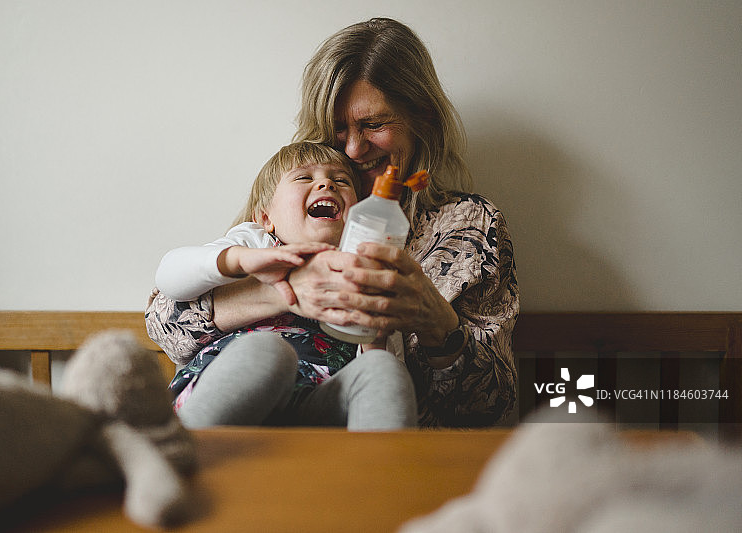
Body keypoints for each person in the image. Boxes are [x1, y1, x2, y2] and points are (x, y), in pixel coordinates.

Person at [146, 18, 519, 427]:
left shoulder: (467, 225)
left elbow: (490, 407)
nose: (354, 150)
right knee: (266, 355)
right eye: (338, 129)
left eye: (373, 124)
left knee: (382, 373)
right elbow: (165, 320)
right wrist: (289, 289)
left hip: (349, 432)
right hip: (245, 430)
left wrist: (435, 324)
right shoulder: (281, 212)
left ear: (422, 118)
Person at [151, 141, 417, 430]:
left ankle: (380, 471)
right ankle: (180, 451)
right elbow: (168, 276)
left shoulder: (366, 274)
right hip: (229, 395)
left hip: (314, 408)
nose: (327, 183)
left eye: (341, 181)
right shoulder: (256, 244)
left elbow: (390, 381)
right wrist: (238, 261)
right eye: (305, 177)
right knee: (269, 350)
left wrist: (373, 337)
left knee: (383, 369)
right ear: (266, 218)